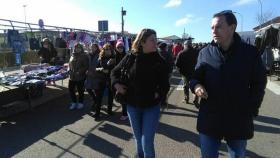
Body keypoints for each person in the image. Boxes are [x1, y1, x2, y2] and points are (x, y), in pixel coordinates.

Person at [189, 10, 267, 158]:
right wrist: (197, 86)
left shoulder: (250, 53)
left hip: (238, 120)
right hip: (210, 119)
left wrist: (251, 108)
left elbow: (259, 83)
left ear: (232, 28)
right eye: (212, 27)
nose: (214, 30)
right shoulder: (204, 53)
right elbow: (194, 78)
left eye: (218, 26)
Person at [111, 28, 170, 158]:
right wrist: (116, 85)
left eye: (156, 39)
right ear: (142, 42)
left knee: (147, 141)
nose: (156, 43)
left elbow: (165, 84)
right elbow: (114, 72)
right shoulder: (131, 57)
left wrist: (159, 94)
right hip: (132, 105)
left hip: (151, 106)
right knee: (138, 139)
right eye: (152, 40)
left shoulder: (159, 61)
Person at [93, 43, 116, 120]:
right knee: (99, 97)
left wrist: (108, 70)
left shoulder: (114, 58)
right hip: (101, 79)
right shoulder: (100, 58)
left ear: (111, 50)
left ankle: (109, 110)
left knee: (110, 96)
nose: (107, 51)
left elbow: (115, 70)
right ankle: (97, 113)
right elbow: (96, 69)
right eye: (105, 49)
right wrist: (102, 70)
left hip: (110, 79)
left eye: (108, 49)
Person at [175, 39, 199, 108]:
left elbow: (177, 64)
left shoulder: (181, 53)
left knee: (186, 86)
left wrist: (180, 71)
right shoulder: (197, 52)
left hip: (185, 73)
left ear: (185, 45)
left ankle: (186, 98)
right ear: (191, 45)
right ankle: (195, 100)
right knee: (195, 86)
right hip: (195, 72)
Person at [68, 43, 89, 110]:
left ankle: (80, 103)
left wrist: (79, 71)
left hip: (80, 76)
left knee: (80, 90)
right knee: (71, 89)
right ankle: (74, 102)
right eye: (76, 47)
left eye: (79, 48)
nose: (77, 49)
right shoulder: (72, 55)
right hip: (71, 76)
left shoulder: (84, 56)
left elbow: (86, 66)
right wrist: (68, 70)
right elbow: (69, 64)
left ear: (81, 48)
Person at [114, 39, 129, 120]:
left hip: (124, 79)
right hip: (116, 79)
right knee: (119, 95)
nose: (120, 48)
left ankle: (125, 114)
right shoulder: (114, 56)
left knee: (123, 96)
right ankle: (126, 110)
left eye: (121, 47)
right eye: (118, 47)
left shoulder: (126, 56)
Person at [84, 43, 100, 111]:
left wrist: (94, 71)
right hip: (89, 74)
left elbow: (100, 65)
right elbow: (86, 63)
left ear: (97, 48)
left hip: (96, 74)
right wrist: (86, 70)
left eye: (94, 47)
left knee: (96, 90)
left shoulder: (99, 54)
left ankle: (96, 104)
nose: (92, 48)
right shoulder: (89, 55)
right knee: (88, 88)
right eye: (91, 47)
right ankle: (95, 100)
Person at [158, 42, 174, 106]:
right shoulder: (168, 54)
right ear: (165, 47)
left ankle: (158, 100)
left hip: (157, 73)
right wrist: (170, 72)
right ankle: (163, 101)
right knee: (165, 87)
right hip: (166, 73)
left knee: (158, 87)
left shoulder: (156, 53)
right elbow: (171, 64)